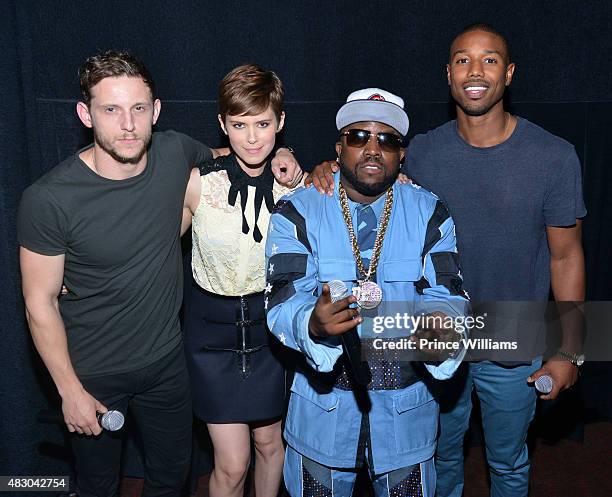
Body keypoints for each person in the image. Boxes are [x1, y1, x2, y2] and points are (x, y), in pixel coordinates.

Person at [308, 24, 586, 497]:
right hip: (430, 334)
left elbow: (566, 256)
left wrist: (569, 349)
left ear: (510, 73)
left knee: (510, 464)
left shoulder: (554, 157)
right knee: (436, 459)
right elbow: (366, 176)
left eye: (490, 59)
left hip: (513, 337)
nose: (475, 71)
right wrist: (327, 168)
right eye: (463, 60)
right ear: (449, 75)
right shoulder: (420, 154)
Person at [17, 50, 301, 497]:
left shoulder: (174, 152)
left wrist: (289, 153)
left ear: (156, 110)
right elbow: (38, 302)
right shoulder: (48, 198)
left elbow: (242, 153)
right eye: (110, 109)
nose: (127, 124)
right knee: (97, 484)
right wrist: (69, 390)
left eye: (138, 108)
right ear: (84, 114)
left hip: (168, 366)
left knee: (172, 480)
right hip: (93, 371)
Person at [265, 88, 470, 497]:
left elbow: (449, 292)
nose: (373, 149)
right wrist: (312, 322)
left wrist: (441, 328)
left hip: (404, 418)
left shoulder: (430, 212)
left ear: (402, 153)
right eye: (359, 137)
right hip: (323, 414)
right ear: (339, 147)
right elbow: (281, 298)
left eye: (387, 139)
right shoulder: (298, 211)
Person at [181, 64, 300, 497]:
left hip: (271, 334)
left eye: (263, 123)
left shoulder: (297, 188)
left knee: (271, 444)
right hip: (210, 336)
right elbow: (150, 247)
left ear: (280, 122)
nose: (252, 137)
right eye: (239, 124)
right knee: (232, 465)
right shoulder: (198, 183)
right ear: (222, 124)